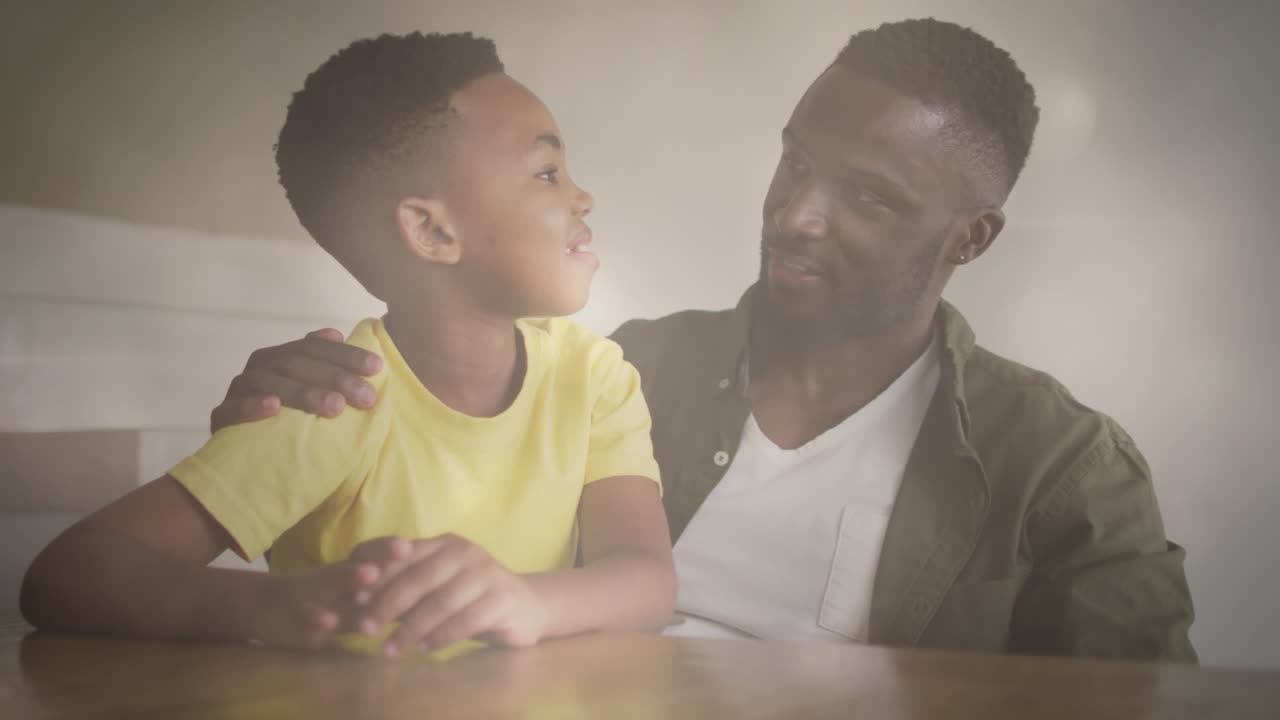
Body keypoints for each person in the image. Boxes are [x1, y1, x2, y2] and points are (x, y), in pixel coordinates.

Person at [207, 19, 1196, 661]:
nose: (795, 214)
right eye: (795, 162)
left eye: (864, 196)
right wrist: (292, 400)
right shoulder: (616, 371)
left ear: (968, 238)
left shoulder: (1066, 471)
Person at [19, 32, 675, 659]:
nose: (582, 196)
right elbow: (65, 575)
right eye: (546, 172)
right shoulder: (334, 399)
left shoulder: (595, 379)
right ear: (430, 230)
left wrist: (529, 604)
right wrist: (269, 608)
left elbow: (648, 582)